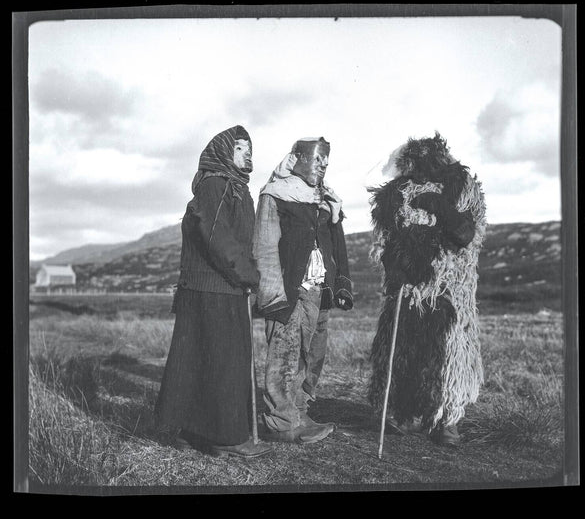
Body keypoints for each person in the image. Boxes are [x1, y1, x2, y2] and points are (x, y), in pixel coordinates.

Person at [155, 125, 272, 458]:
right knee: (225, 363)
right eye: (240, 148)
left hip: (211, 288)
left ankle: (191, 431)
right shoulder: (218, 184)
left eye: (250, 148)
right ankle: (226, 437)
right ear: (222, 152)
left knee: (199, 360)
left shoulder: (228, 186)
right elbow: (216, 234)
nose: (248, 153)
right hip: (218, 288)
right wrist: (248, 274)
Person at [367, 132, 486, 447]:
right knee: (401, 350)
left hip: (448, 288)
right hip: (406, 288)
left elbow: (465, 234)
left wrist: (441, 208)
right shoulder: (395, 194)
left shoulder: (461, 189)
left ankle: (447, 420)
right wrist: (396, 263)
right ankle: (395, 411)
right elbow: (385, 238)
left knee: (450, 355)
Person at [253, 137, 354, 444]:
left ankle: (300, 410)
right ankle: (283, 421)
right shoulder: (275, 195)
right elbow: (265, 245)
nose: (323, 165)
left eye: (326, 160)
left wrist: (342, 285)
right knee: (286, 355)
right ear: (296, 157)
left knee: (313, 355)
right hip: (288, 291)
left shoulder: (326, 200)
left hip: (319, 290)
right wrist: (273, 296)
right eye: (317, 159)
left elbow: (338, 247)